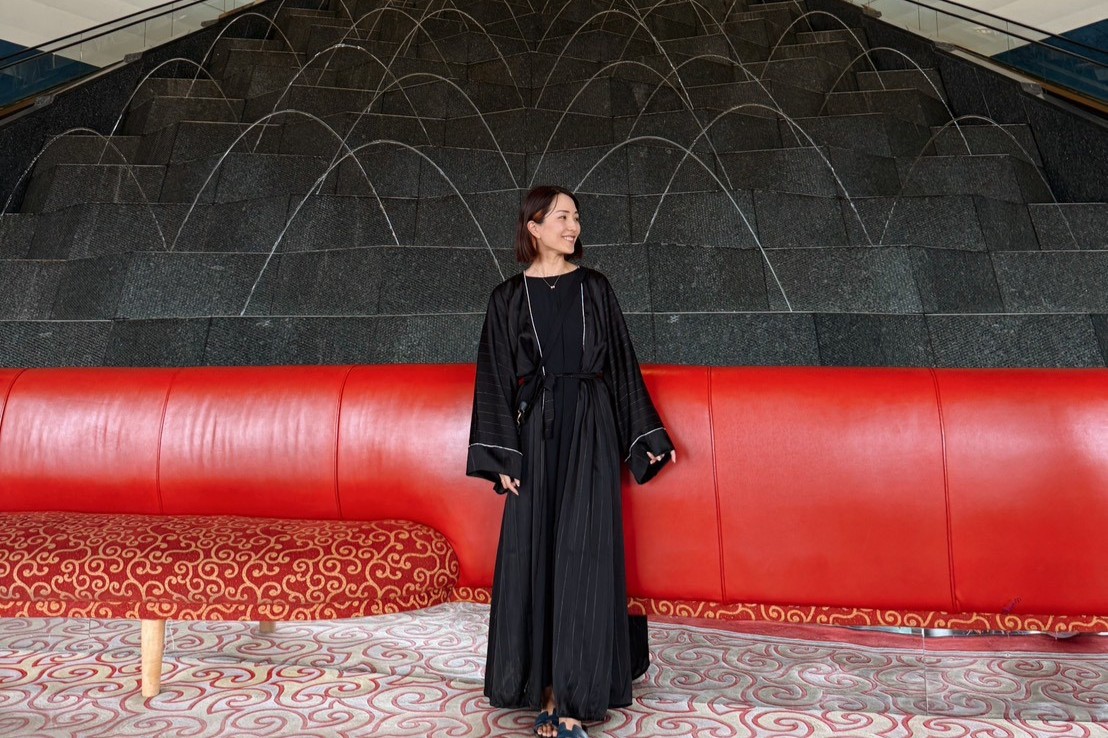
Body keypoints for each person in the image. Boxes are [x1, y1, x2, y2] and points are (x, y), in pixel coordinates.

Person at [466, 185, 677, 737]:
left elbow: (623, 363)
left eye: (576, 217)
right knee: (533, 551)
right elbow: (493, 377)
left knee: (584, 553)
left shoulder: (596, 288)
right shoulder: (506, 298)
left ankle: (571, 698)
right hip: (533, 434)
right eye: (562, 217)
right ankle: (539, 688)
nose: (573, 226)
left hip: (590, 427)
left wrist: (647, 435)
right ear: (533, 227)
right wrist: (501, 457)